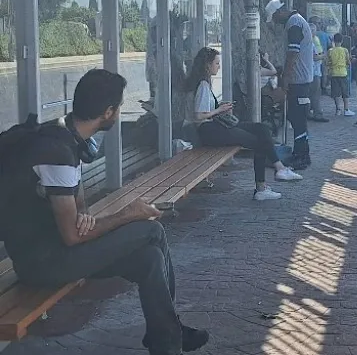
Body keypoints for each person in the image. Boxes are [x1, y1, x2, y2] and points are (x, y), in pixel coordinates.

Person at [0, 69, 209, 355]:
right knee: (151, 229)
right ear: (109, 112)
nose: (120, 111)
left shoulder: (65, 135)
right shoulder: (56, 151)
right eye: (119, 106)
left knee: (149, 258)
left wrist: (84, 216)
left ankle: (167, 339)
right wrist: (129, 213)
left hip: (53, 249)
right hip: (42, 263)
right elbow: (73, 236)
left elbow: (79, 206)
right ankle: (172, 335)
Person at [185, 47, 303, 201]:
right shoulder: (203, 85)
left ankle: (279, 168)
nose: (218, 66)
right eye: (216, 63)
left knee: (261, 128)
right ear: (207, 65)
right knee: (258, 142)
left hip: (214, 126)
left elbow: (204, 110)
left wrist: (219, 108)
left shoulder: (205, 83)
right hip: (209, 130)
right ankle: (261, 187)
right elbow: (199, 115)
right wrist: (219, 109)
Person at [264, 0, 314, 170]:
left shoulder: (294, 24)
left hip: (299, 80)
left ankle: (302, 156)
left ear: (279, 13)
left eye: (276, 19)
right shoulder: (297, 21)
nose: (276, 23)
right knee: (295, 117)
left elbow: (293, 55)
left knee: (298, 118)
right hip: (301, 78)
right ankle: (300, 153)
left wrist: (285, 81)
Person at [327, 33, 354, 117]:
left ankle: (338, 109)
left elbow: (327, 63)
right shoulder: (345, 50)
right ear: (342, 41)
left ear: (333, 41)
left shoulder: (330, 51)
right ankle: (346, 109)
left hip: (334, 73)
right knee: (345, 92)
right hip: (343, 73)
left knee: (336, 93)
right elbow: (348, 62)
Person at [308, 23, 329, 123]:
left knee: (311, 93)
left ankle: (308, 112)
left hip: (313, 70)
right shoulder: (310, 43)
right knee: (315, 93)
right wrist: (323, 56)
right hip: (313, 71)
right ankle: (317, 114)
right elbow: (314, 57)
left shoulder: (313, 40)